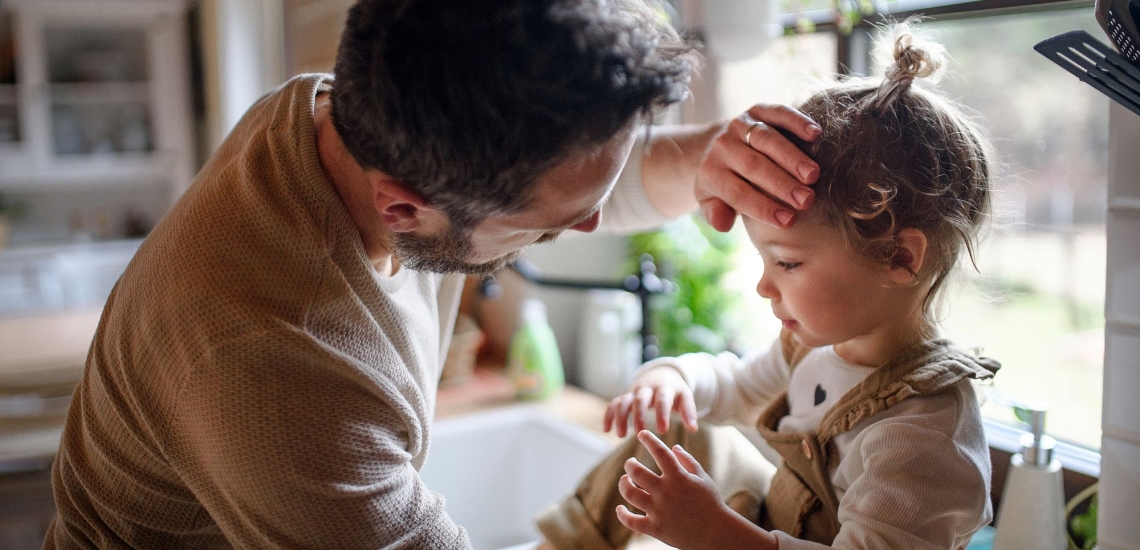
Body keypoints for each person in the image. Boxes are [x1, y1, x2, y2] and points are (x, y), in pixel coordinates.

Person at [43, 0, 824, 548]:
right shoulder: (275, 360)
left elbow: (571, 183)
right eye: (549, 226)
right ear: (405, 208)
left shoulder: (342, 116)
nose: (584, 226)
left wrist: (714, 154)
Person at [537, 23, 1001, 550]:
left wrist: (713, 531)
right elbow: (735, 386)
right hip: (771, 524)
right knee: (676, 430)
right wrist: (673, 379)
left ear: (899, 258)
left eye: (788, 264)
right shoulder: (815, 349)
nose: (764, 287)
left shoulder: (924, 437)